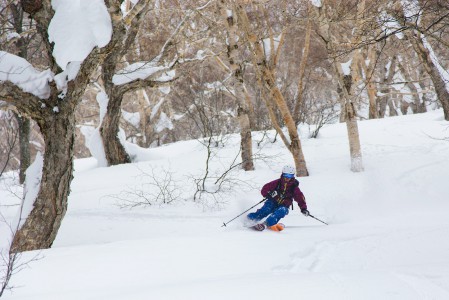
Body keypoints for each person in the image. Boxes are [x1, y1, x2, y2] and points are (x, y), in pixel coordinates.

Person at [247, 165, 309, 231]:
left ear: (292, 176)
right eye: (286, 175)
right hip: (272, 201)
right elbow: (264, 189)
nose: (287, 178)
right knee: (265, 210)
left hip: (284, 205)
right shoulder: (276, 183)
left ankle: (266, 224)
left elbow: (300, 198)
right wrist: (269, 194)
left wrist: (303, 208)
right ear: (283, 174)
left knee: (281, 211)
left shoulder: (294, 187)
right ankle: (249, 219)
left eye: (289, 176)